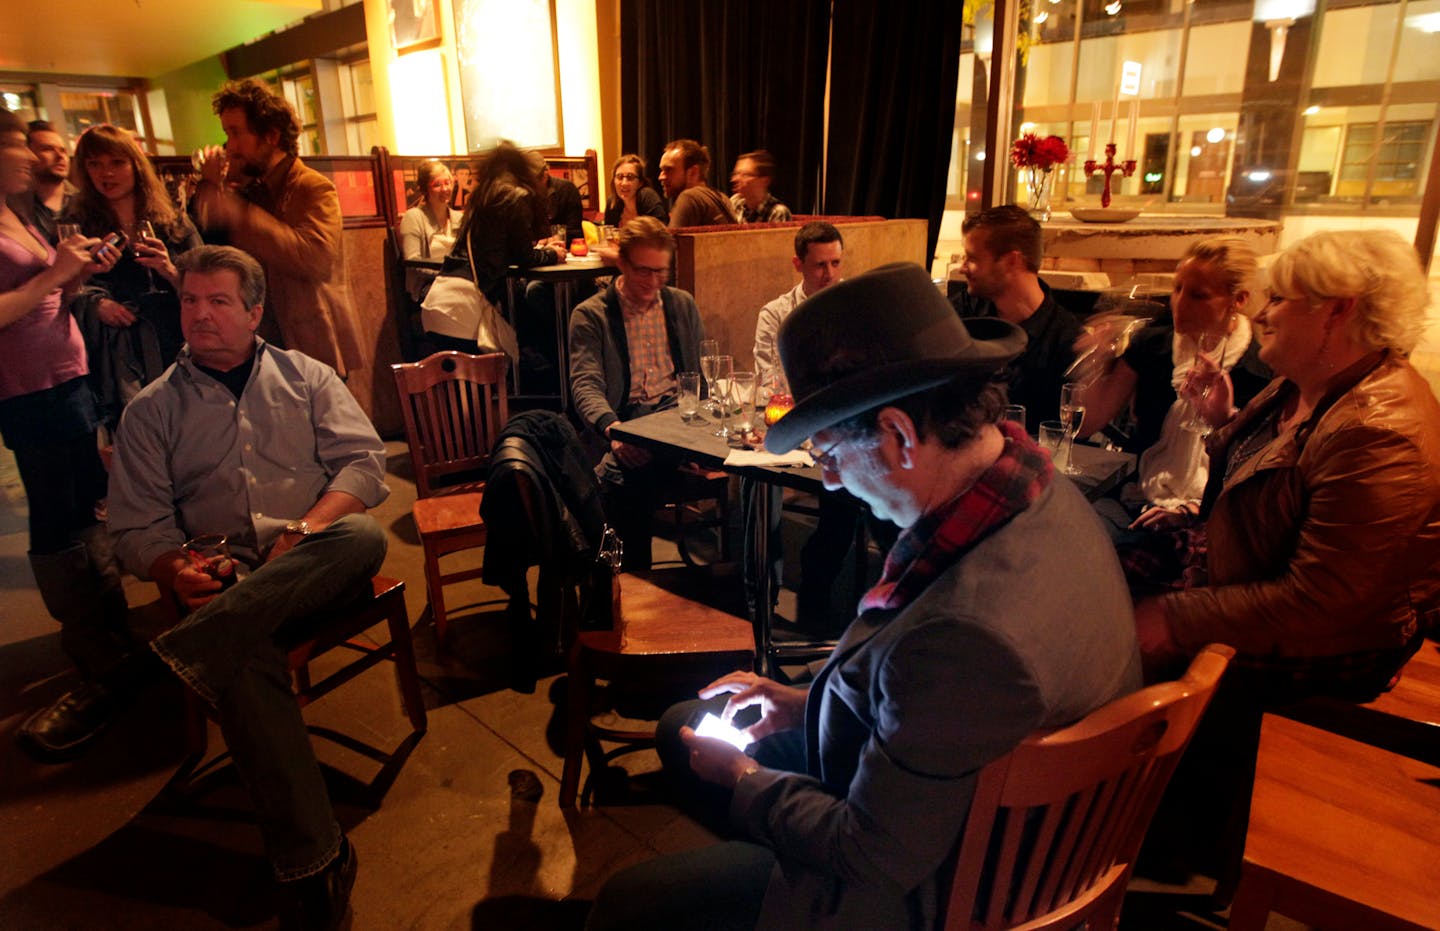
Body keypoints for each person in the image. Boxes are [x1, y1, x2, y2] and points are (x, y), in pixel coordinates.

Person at [586, 263, 1141, 930]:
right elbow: (931, 708)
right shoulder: (1043, 493)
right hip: (955, 798)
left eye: (828, 457)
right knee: (684, 724)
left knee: (627, 906)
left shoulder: (966, 638)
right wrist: (800, 703)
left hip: (934, 886)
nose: (835, 483)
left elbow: (870, 853)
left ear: (900, 435)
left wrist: (747, 782)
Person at [1131, 230, 1440, 877]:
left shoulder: (1380, 431)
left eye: (1282, 299)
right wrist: (1221, 424)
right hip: (1257, 580)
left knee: (1130, 638)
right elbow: (1266, 493)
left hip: (1337, 645)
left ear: (1339, 309)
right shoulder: (1309, 381)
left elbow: (1319, 603)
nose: (1264, 311)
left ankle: (1151, 841)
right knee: (1103, 575)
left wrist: (1173, 618)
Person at [107, 244, 390, 930]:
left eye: (218, 301)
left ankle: (144, 667)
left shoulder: (307, 376)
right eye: (189, 300)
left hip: (315, 561)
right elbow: (135, 527)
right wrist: (176, 569)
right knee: (239, 653)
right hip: (224, 578)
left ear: (255, 310)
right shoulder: (151, 410)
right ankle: (317, 860)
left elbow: (364, 464)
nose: (199, 315)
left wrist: (301, 528)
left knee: (362, 536)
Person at [2, 109, 138, 763]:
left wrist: (80, 272)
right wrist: (55, 277)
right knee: (58, 524)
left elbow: (49, 292)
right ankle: (94, 663)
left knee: (91, 511)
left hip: (68, 373)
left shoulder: (22, 211)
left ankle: (117, 644)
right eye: (12, 147)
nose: (27, 156)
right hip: (26, 387)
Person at [1076, 238, 1268, 550]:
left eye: (1198, 295)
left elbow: (1252, 470)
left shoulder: (1259, 369)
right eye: (1177, 289)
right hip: (1137, 496)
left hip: (1213, 515)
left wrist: (1188, 511)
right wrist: (1098, 359)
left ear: (1239, 300)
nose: (1180, 303)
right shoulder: (1154, 346)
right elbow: (1088, 422)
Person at [191, 78, 360, 376]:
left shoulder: (313, 187)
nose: (229, 146)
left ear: (270, 135)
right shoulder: (249, 191)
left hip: (313, 346)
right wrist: (212, 187)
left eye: (236, 133)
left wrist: (240, 211)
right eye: (226, 134)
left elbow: (315, 258)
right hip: (261, 347)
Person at [569, 216, 704, 570]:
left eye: (662, 272)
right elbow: (585, 385)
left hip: (675, 418)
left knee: (624, 478)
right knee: (630, 471)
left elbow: (698, 376)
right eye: (644, 271)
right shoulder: (591, 315)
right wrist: (615, 432)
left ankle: (632, 583)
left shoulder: (681, 304)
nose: (655, 281)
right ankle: (634, 583)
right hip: (626, 423)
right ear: (623, 263)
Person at [749, 221, 854, 628]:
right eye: (819, 266)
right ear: (799, 264)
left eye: (836, 263)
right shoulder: (776, 314)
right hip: (792, 424)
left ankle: (818, 597)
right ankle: (759, 598)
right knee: (757, 488)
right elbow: (769, 380)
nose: (829, 274)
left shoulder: (854, 310)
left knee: (844, 500)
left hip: (839, 428)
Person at [66, 123, 202, 429]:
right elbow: (67, 287)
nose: (106, 173)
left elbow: (207, 278)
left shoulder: (171, 218)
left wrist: (169, 269)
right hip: (121, 350)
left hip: (177, 337)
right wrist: (97, 305)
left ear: (136, 166)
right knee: (140, 434)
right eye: (95, 164)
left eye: (116, 162)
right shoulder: (79, 224)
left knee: (191, 428)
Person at [422, 142, 563, 359]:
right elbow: (524, 257)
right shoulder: (516, 196)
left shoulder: (483, 196)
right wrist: (553, 253)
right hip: (464, 309)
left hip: (437, 301)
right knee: (480, 389)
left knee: (455, 391)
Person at [949, 205, 1081, 432]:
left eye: (972, 258)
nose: (962, 268)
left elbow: (1064, 435)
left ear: (1011, 261)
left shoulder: (1066, 340)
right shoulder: (961, 313)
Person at [397, 159, 460, 302]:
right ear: (425, 189)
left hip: (458, 281)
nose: (445, 189)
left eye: (447, 182)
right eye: (437, 185)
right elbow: (413, 261)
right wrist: (448, 274)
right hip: (427, 286)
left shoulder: (460, 218)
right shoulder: (414, 217)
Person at [657, 139, 737, 228]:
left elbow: (671, 241)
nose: (661, 177)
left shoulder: (690, 197)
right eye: (662, 170)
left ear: (693, 172)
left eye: (669, 170)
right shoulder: (723, 198)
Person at [25, 120, 72, 243]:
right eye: (47, 149)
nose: (60, 156)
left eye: (63, 150)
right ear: (27, 155)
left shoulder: (85, 201)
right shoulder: (16, 207)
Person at [602, 153, 668, 228]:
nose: (624, 183)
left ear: (640, 182)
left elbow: (660, 231)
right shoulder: (612, 202)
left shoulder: (647, 195)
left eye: (630, 177)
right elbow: (608, 233)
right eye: (619, 177)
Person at [729, 150, 791, 224]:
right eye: (735, 174)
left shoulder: (777, 212)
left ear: (765, 181)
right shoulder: (735, 204)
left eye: (745, 175)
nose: (734, 179)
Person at [538, 155, 584, 244]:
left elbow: (575, 231)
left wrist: (550, 239)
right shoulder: (525, 193)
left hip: (566, 249)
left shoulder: (567, 189)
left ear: (545, 173)